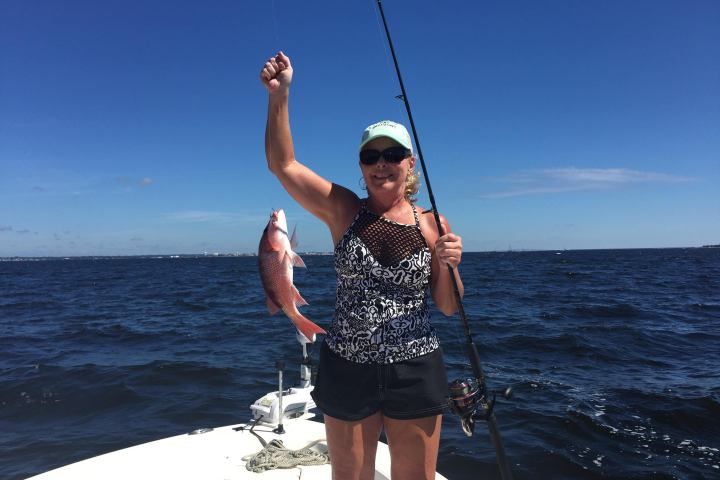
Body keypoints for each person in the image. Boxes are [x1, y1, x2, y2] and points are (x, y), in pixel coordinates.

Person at [260, 51, 464, 480]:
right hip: (348, 365)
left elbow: (447, 305)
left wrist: (449, 264)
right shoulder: (344, 210)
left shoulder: (432, 224)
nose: (381, 163)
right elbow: (284, 165)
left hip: (415, 367)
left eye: (392, 154)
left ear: (410, 163)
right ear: (361, 166)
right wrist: (280, 97)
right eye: (370, 157)